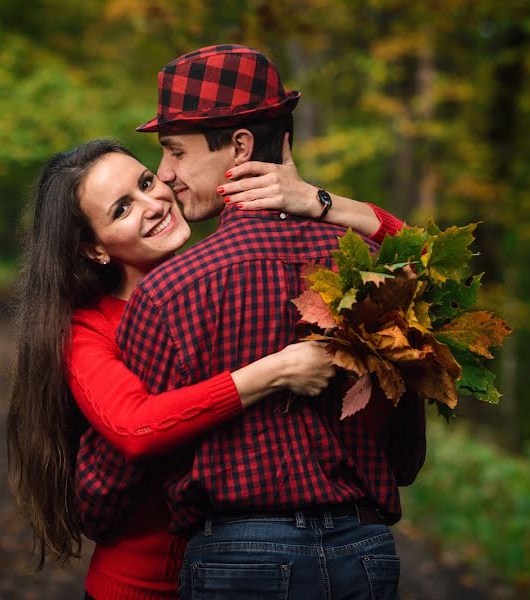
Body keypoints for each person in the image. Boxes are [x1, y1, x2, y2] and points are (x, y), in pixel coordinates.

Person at [95, 44, 427, 599]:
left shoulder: (173, 291)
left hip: (237, 560)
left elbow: (111, 482)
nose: (166, 174)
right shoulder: (374, 270)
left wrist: (100, 518)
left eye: (175, 152)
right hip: (364, 551)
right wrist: (329, 205)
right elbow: (433, 280)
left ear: (241, 146)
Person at [7, 139, 405, 598]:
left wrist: (319, 201)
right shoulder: (86, 330)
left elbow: (420, 271)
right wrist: (273, 372)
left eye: (146, 182)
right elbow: (136, 428)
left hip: (243, 575)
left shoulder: (225, 285)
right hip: (141, 586)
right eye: (122, 210)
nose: (153, 204)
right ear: (93, 250)